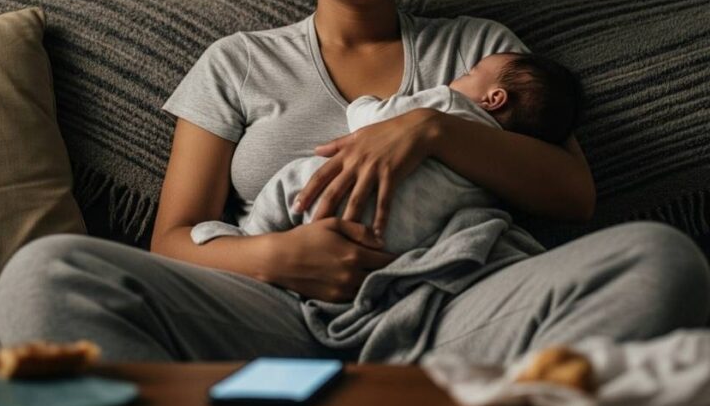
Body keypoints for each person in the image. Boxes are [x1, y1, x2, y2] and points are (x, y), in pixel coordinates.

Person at [0, 0, 710, 365]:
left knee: (664, 263)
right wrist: (279, 257)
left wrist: (429, 131)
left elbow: (573, 194)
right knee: (42, 276)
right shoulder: (236, 62)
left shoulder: (480, 51)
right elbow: (174, 239)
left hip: (449, 315)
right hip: (268, 319)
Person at [190, 51, 580, 256]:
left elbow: (574, 194)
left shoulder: (451, 95)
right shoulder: (235, 60)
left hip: (334, 206)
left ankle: (248, 237)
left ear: (494, 98)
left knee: (292, 182)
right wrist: (271, 260)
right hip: (397, 245)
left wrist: (425, 124)